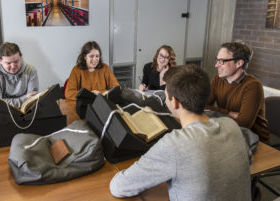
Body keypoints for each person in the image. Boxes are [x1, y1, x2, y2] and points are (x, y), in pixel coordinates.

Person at [110, 65, 251, 201]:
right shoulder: (232, 126)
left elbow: (118, 187)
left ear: (175, 102)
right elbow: (247, 160)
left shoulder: (174, 145)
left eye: (166, 95)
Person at [207, 41, 269, 142]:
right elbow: (201, 107)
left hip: (253, 139)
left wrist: (215, 111)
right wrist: (229, 113)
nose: (216, 65)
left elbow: (243, 124)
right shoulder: (217, 79)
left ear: (239, 63)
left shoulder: (253, 86)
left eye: (222, 61)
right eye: (217, 60)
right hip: (228, 133)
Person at [0, 42, 39, 108]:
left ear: (21, 58)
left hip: (26, 112)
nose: (13, 66)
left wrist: (6, 102)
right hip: (2, 113)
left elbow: (32, 100)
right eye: (8, 63)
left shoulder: (31, 70)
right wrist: (25, 98)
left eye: (16, 61)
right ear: (0, 61)